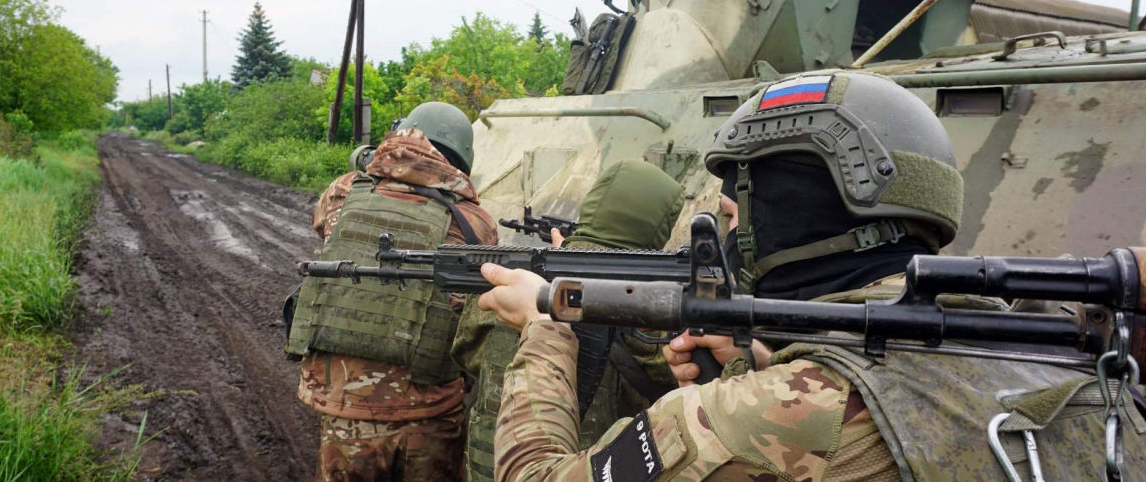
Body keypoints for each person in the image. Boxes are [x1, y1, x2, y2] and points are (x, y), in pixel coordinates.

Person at [477, 71, 1146, 480]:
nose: (729, 237)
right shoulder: (1067, 360)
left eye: (737, 214)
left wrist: (545, 329)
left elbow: (537, 474)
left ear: (790, 217)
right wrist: (766, 360)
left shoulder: (762, 416)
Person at [285, 102, 498, 482]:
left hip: (347, 409)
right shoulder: (476, 223)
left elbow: (324, 224)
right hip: (432, 413)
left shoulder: (343, 191)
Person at [451, 159, 684, 482]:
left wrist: (568, 261)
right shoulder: (657, 314)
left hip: (490, 466)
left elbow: (466, 353)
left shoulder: (514, 283)